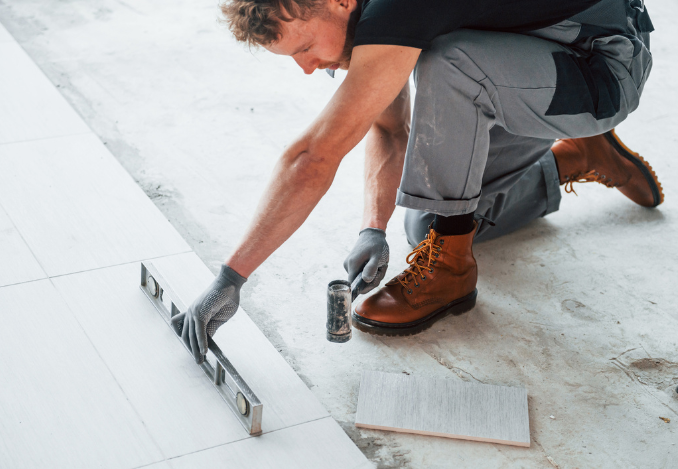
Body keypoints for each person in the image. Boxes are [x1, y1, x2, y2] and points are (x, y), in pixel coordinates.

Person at [172, 0, 663, 362]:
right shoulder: (376, 15)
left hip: (603, 61)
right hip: (533, 72)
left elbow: (314, 156)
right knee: (432, 220)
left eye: (303, 47)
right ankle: (575, 157)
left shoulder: (396, 9)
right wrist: (372, 227)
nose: (306, 68)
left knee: (449, 64)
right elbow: (388, 128)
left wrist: (230, 277)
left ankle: (451, 275)